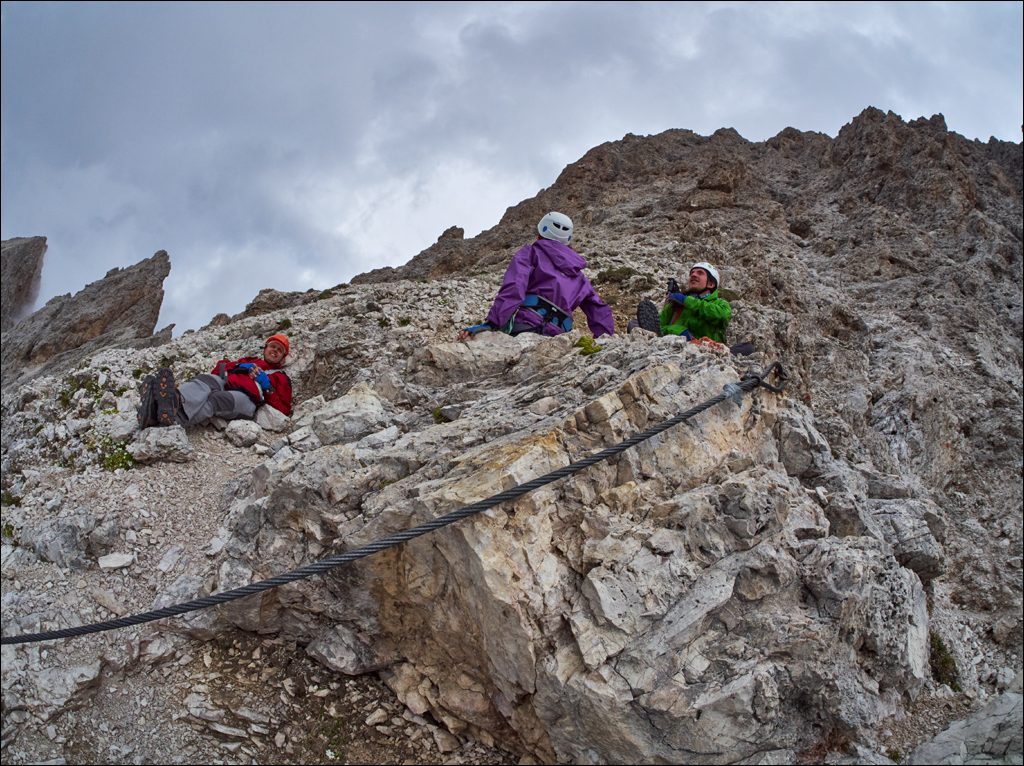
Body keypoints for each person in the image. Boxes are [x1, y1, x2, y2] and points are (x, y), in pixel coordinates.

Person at [458, 212, 614, 341]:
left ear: (541, 233)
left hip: (525, 329)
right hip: (559, 338)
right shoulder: (580, 278)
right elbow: (599, 310)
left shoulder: (531, 253)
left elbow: (515, 286)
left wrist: (493, 322)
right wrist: (604, 342)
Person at [137, 333, 293, 428]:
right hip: (225, 383)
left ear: (282, 358)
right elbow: (218, 370)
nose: (275, 351)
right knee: (206, 379)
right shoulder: (249, 360)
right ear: (265, 348)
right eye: (273, 346)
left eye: (280, 350)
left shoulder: (281, 377)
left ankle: (166, 418)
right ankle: (169, 403)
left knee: (216, 399)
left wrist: (268, 387)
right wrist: (240, 366)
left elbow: (284, 411)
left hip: (248, 401)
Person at [630, 262, 732, 344]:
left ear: (711, 284)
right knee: (634, 324)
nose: (693, 275)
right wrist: (679, 331)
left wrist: (687, 301)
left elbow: (721, 316)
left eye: (700, 273)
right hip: (674, 349)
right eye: (692, 273)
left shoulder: (720, 304)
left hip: (707, 353)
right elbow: (657, 327)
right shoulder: (676, 305)